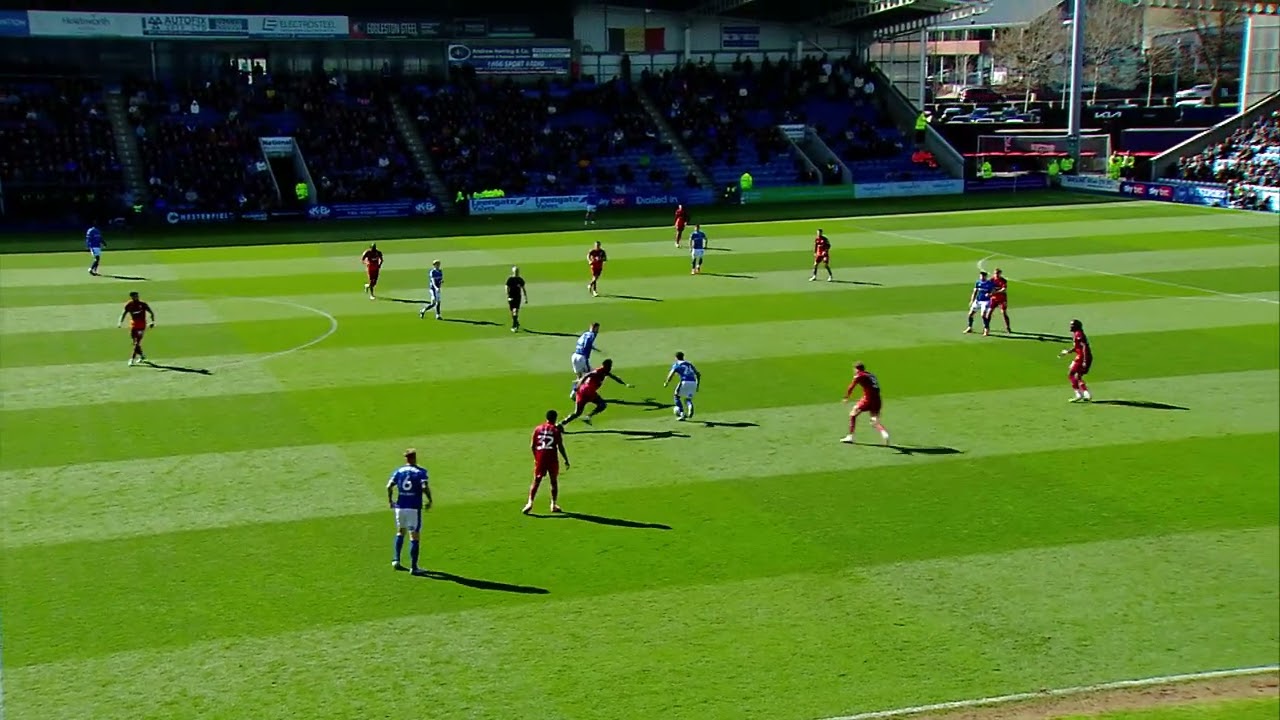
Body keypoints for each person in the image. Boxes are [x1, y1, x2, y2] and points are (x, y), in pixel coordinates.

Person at [386, 448, 432, 574]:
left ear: (406, 458)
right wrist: (429, 499)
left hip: (400, 507)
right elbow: (424, 486)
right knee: (414, 536)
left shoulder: (399, 471)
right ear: (415, 457)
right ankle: (414, 567)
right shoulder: (420, 472)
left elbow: (389, 486)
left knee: (400, 532)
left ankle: (396, 560)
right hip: (413, 508)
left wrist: (390, 501)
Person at [560, 359, 631, 428]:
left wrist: (625, 384)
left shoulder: (605, 371)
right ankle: (588, 416)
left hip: (583, 392)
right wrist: (578, 385)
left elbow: (614, 377)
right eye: (609, 366)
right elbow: (586, 375)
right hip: (588, 391)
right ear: (605, 366)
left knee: (577, 413)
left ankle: (561, 424)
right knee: (602, 405)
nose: (610, 368)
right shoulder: (598, 371)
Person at [524, 410, 570, 515]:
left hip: (540, 457)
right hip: (552, 458)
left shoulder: (538, 428)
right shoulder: (555, 430)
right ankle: (553, 505)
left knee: (536, 481)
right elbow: (560, 446)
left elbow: (532, 445)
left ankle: (529, 503)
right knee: (553, 481)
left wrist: (536, 458)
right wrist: (566, 459)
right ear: (555, 418)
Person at [841, 361, 890, 445]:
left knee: (853, 414)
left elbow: (851, 386)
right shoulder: (871, 375)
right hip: (877, 399)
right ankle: (884, 433)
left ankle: (850, 437)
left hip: (867, 399)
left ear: (856, 369)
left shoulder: (859, 375)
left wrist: (846, 397)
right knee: (874, 420)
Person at [1059, 319, 1093, 402]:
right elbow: (1078, 347)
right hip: (1082, 356)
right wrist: (1068, 352)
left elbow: (1084, 347)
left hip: (1082, 357)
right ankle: (1085, 393)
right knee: (1077, 376)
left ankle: (1079, 394)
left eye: (1072, 325)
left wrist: (1085, 360)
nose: (1070, 327)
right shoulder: (1076, 334)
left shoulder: (1079, 334)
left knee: (1071, 374)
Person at [117, 291, 155, 367]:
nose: (136, 297)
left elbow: (151, 313)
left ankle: (131, 359)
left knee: (136, 343)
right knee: (134, 342)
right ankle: (142, 356)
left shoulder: (143, 304)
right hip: (133, 325)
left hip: (141, 325)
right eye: (135, 296)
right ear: (131, 297)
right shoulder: (129, 304)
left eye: (137, 296)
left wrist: (152, 322)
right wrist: (120, 322)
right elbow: (123, 313)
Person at [663, 351, 701, 420]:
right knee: (688, 399)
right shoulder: (689, 364)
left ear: (676, 358)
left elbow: (671, 374)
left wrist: (666, 382)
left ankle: (682, 413)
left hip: (684, 381)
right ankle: (689, 406)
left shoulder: (677, 364)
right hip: (693, 382)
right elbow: (698, 374)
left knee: (676, 396)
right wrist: (697, 385)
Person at [570, 323, 601, 398]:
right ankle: (585, 392)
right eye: (597, 328)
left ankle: (573, 393)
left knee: (579, 377)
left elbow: (581, 342)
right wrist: (588, 347)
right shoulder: (592, 335)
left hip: (575, 356)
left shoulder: (585, 333)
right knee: (590, 375)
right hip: (582, 358)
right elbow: (586, 344)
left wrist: (593, 348)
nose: (598, 330)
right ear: (595, 328)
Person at [965, 271, 995, 335]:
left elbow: (993, 292)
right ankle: (970, 327)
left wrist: (989, 294)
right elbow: (975, 292)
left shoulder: (989, 283)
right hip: (978, 300)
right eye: (980, 276)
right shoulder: (978, 282)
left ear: (985, 276)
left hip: (985, 301)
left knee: (983, 315)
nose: (981, 277)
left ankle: (986, 328)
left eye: (983, 276)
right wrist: (972, 300)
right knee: (970, 314)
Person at [987, 268, 1011, 333]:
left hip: (1002, 299)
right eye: (995, 273)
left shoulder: (1003, 280)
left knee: (1003, 313)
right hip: (994, 299)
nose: (996, 275)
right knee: (989, 312)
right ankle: (986, 327)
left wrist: (995, 292)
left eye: (997, 273)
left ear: (1000, 274)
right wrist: (988, 293)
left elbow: (1004, 289)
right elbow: (988, 288)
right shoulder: (991, 280)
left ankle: (1008, 327)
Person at [506, 266, 528, 332]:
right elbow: (506, 288)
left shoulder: (520, 280)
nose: (517, 272)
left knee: (515, 310)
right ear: (513, 272)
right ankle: (516, 321)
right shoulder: (510, 279)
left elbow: (524, 289)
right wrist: (508, 296)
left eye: (517, 271)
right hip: (511, 297)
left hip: (517, 297)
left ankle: (514, 326)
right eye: (515, 271)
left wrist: (525, 297)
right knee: (512, 311)